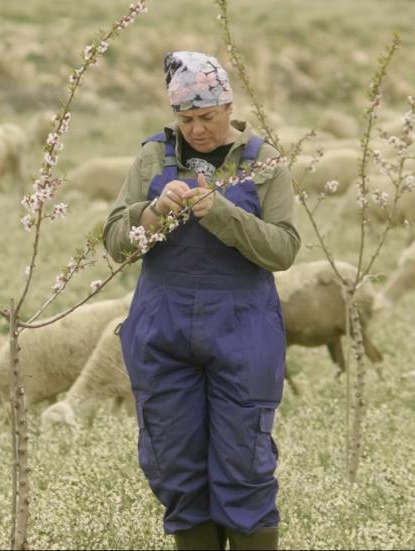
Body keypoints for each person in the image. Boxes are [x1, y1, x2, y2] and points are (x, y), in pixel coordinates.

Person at [103, 51, 300, 550]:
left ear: (228, 107)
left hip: (243, 332)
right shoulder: (151, 156)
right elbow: (112, 241)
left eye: (207, 117)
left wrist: (222, 213)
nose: (197, 130)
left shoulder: (264, 162)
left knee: (243, 465)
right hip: (163, 333)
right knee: (175, 467)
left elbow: (282, 250)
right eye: (185, 119)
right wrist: (151, 215)